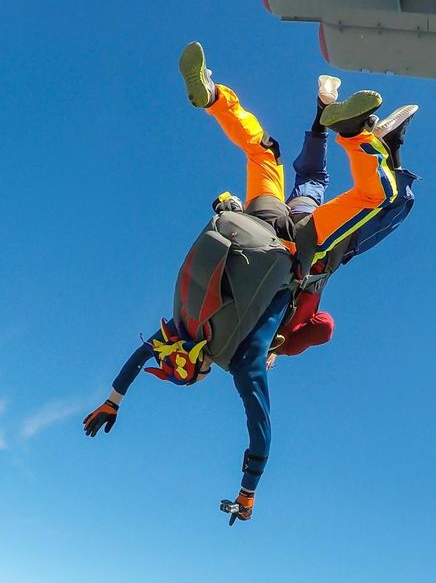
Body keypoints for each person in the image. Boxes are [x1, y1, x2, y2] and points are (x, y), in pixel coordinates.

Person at [83, 42, 403, 524]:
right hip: (255, 217)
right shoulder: (177, 328)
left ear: (202, 371)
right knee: (262, 150)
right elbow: (140, 356)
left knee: (377, 195)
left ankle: (355, 135)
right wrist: (112, 400)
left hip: (298, 245)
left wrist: (247, 492)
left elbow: (261, 432)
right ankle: (213, 96)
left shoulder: (242, 360)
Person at [269, 81, 419, 364]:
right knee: (311, 177)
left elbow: (324, 327)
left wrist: (282, 348)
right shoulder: (240, 313)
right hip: (287, 222)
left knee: (393, 203)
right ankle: (323, 107)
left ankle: (379, 139)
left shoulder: (284, 342)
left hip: (327, 247)